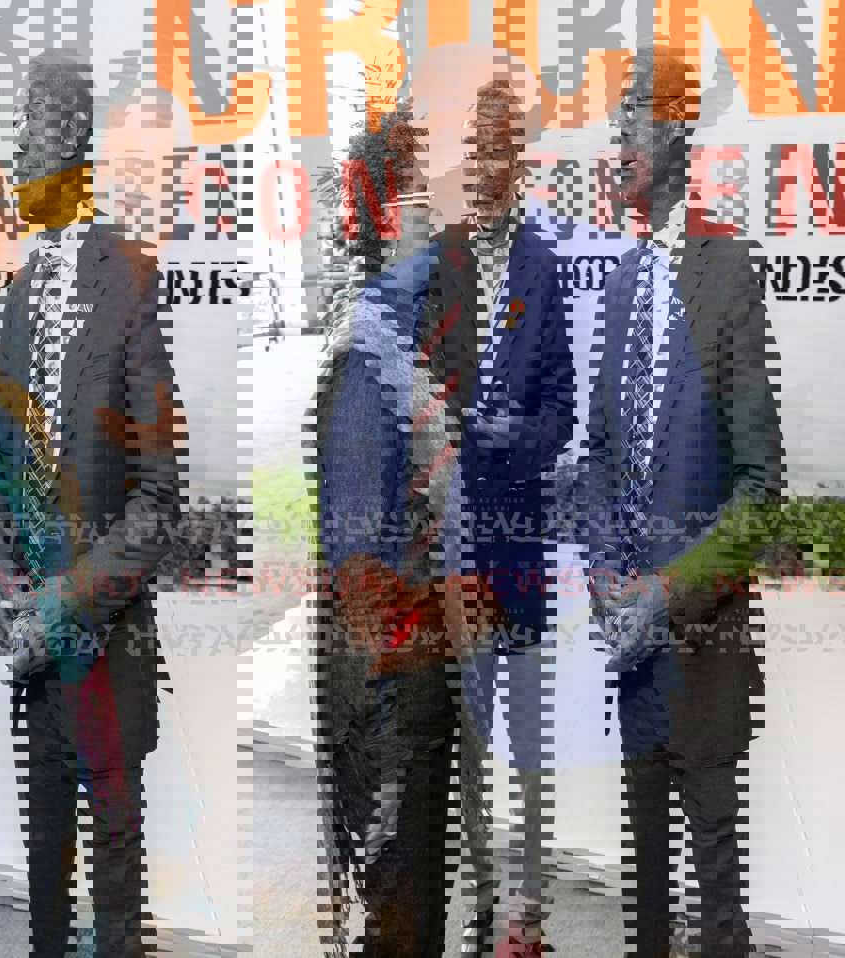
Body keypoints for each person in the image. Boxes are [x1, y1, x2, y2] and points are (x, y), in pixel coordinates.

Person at [0, 50, 182, 958]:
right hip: (35, 665)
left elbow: (160, 500)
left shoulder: (131, 279)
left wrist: (65, 605)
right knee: (46, 902)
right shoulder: (18, 298)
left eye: (26, 135)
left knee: (113, 907)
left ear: (68, 140)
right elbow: (6, 470)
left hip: (104, 649)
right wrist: (7, 589)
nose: (14, 158)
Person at [586, 46, 782, 958]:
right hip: (630, 653)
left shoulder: (728, 272)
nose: (615, 138)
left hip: (702, 648)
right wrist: (604, 577)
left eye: (631, 118)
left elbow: (759, 492)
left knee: (716, 907)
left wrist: (668, 594)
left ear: (674, 134)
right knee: (647, 903)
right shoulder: (616, 283)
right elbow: (597, 460)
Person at [316, 89, 508, 957]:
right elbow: (364, 574)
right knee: (400, 915)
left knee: (418, 902)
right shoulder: (372, 358)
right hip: (390, 698)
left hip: (418, 687)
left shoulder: (422, 349)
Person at [413, 47, 576, 957]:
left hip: (520, 539)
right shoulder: (433, 265)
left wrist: (513, 437)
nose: (487, 163)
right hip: (451, 546)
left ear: (520, 159)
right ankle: (483, 908)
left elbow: (562, 408)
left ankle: (531, 915)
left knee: (530, 744)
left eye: (503, 148)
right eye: (476, 146)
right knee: (469, 738)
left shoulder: (542, 265)